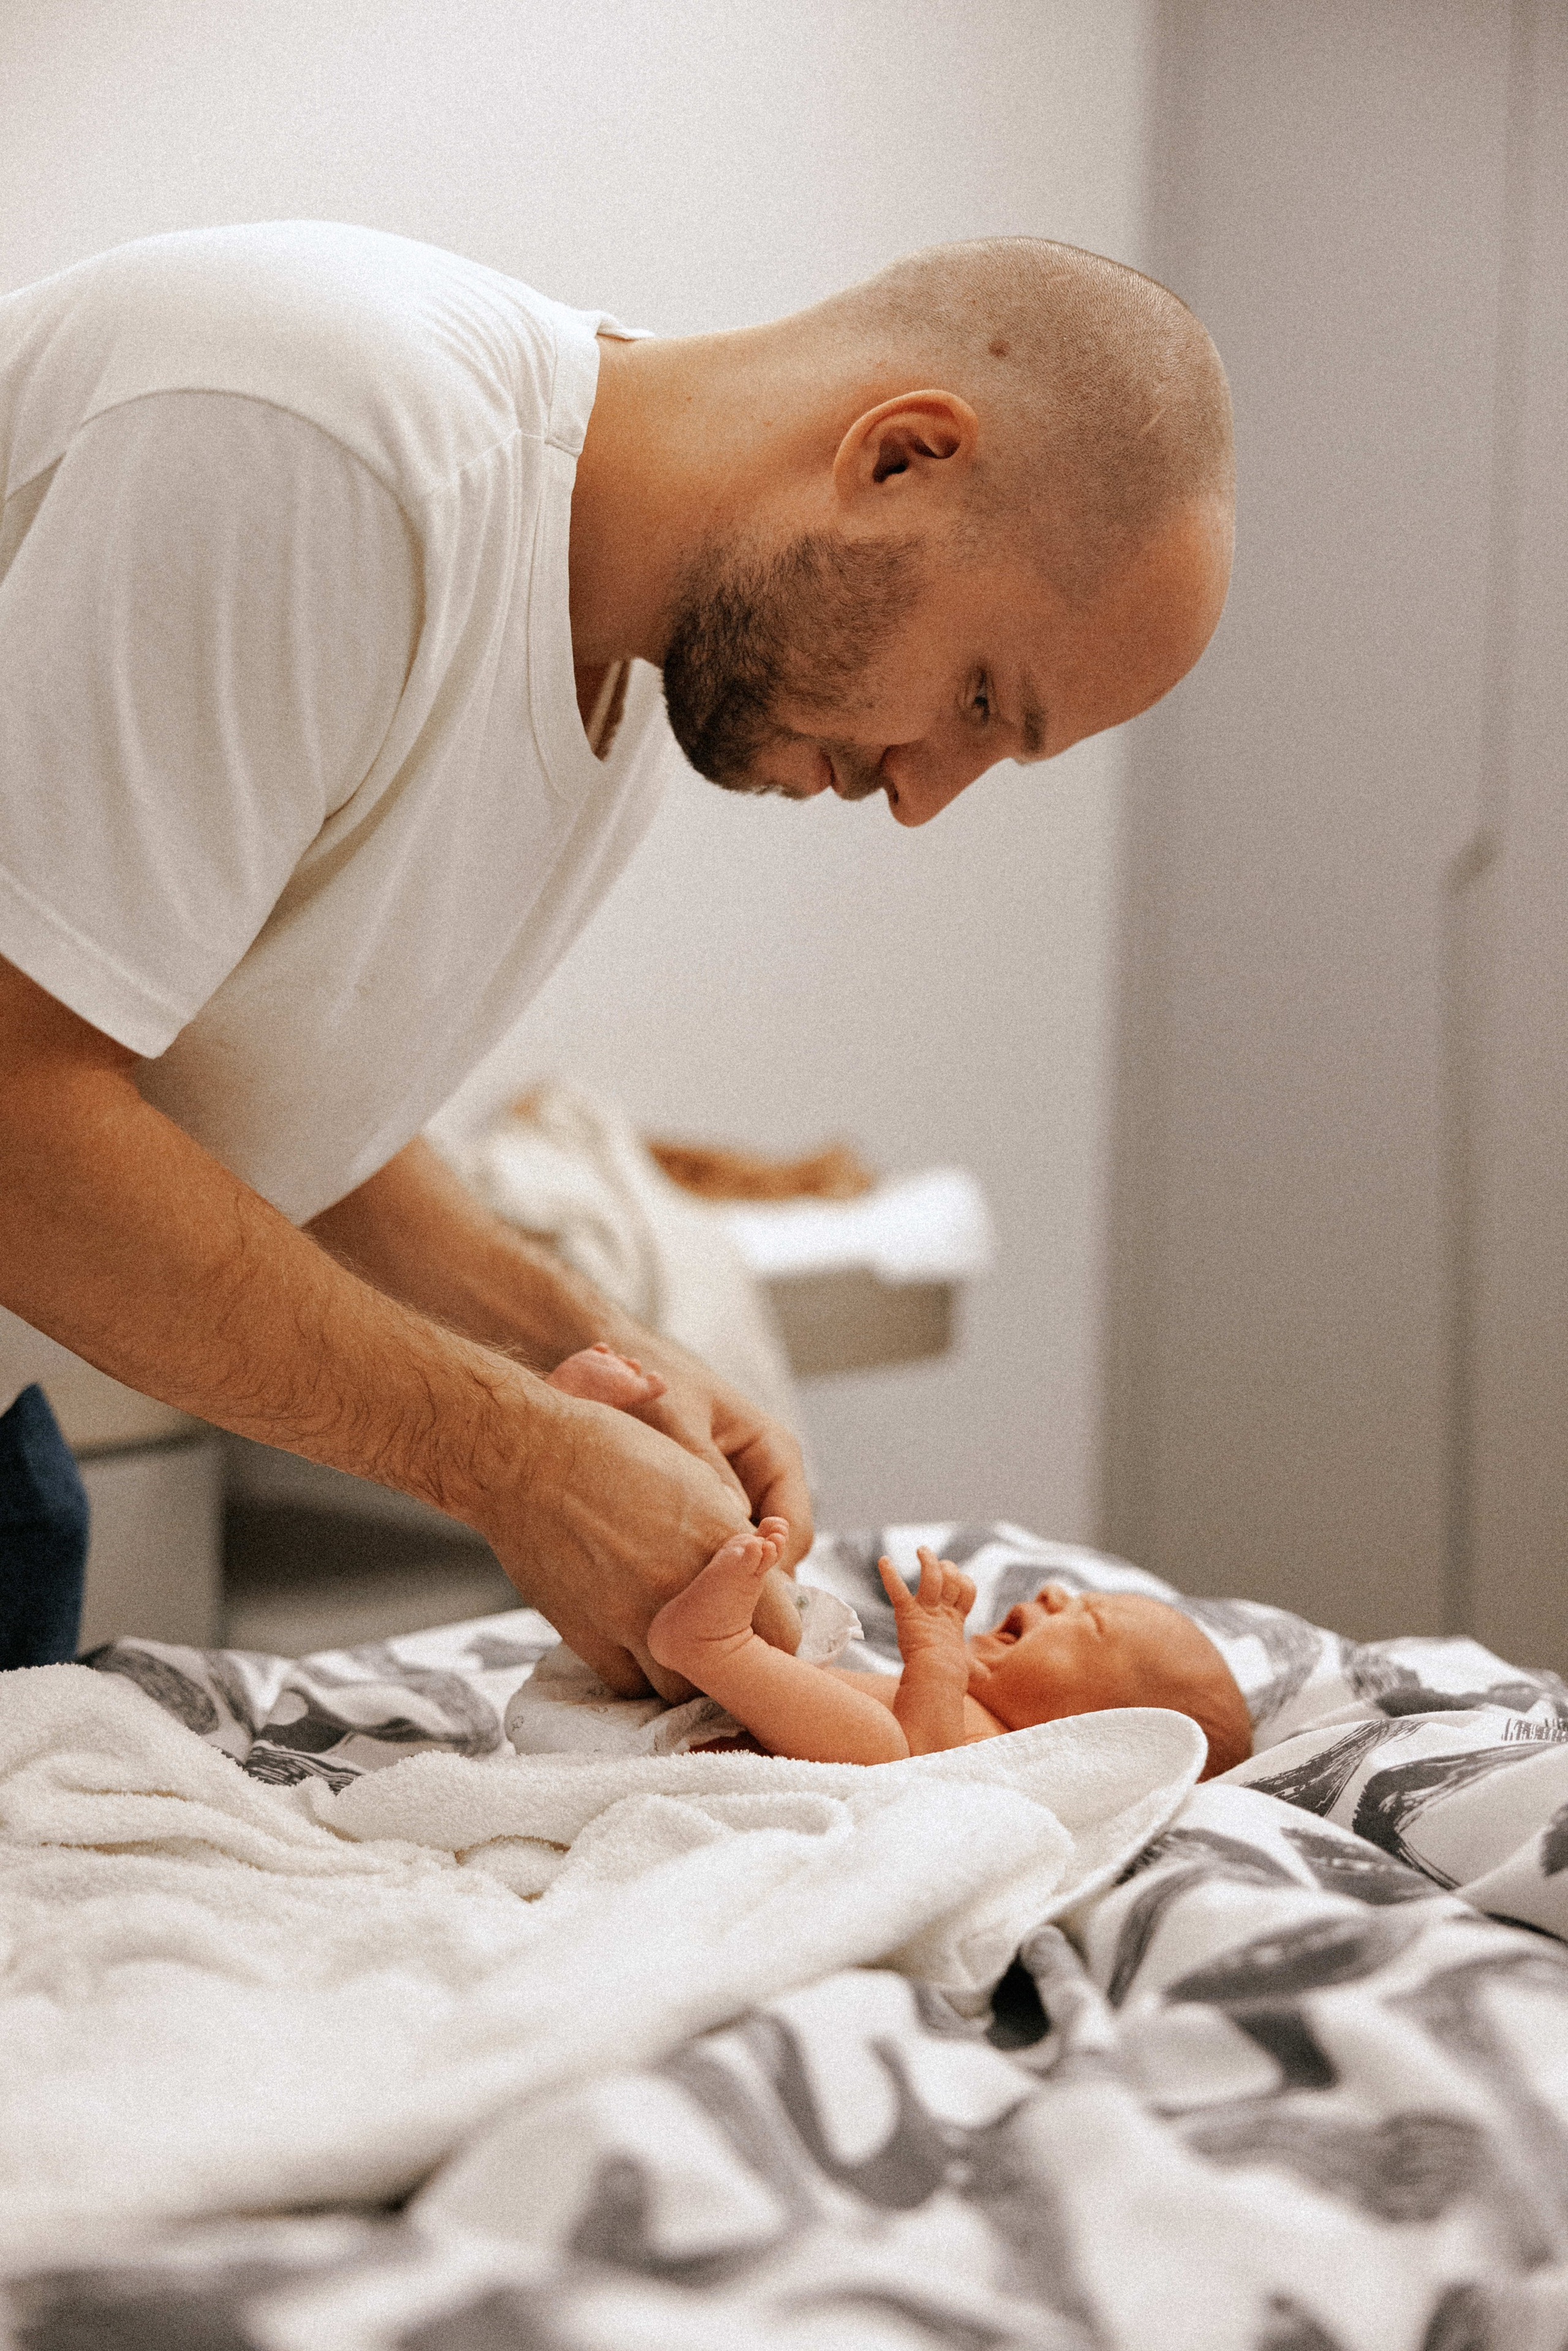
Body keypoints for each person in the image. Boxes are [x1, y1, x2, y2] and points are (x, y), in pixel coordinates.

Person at [0, 222, 1234, 1699]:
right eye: (978, 698)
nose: (920, 795)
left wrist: (595, 1346)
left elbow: (247, 1092)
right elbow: (18, 1113)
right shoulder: (329, 443)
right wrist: (515, 1461)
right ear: (898, 455)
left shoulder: (624, 699)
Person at [551, 1345, 1253, 1778]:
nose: (1059, 1598)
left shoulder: (997, 1749)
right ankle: (584, 1435)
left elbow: (924, 1767)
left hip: (683, 1717)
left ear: (1100, 1728)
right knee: (705, 1554)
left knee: (893, 1756)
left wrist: (938, 1659)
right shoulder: (964, 1708)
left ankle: (716, 1643)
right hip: (676, 1708)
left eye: (1092, 1623)